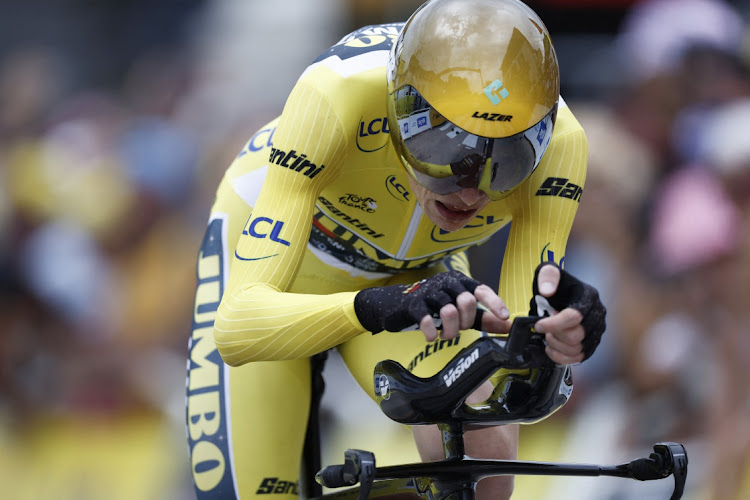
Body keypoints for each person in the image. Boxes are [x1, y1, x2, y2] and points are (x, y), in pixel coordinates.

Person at [185, 1, 606, 499]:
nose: (470, 191)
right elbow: (237, 329)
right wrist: (373, 307)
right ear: (399, 108)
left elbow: (516, 347)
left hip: (418, 281)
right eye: (446, 153)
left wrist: (559, 336)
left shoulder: (561, 144)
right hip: (294, 264)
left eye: (508, 160)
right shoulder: (337, 93)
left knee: (484, 470)